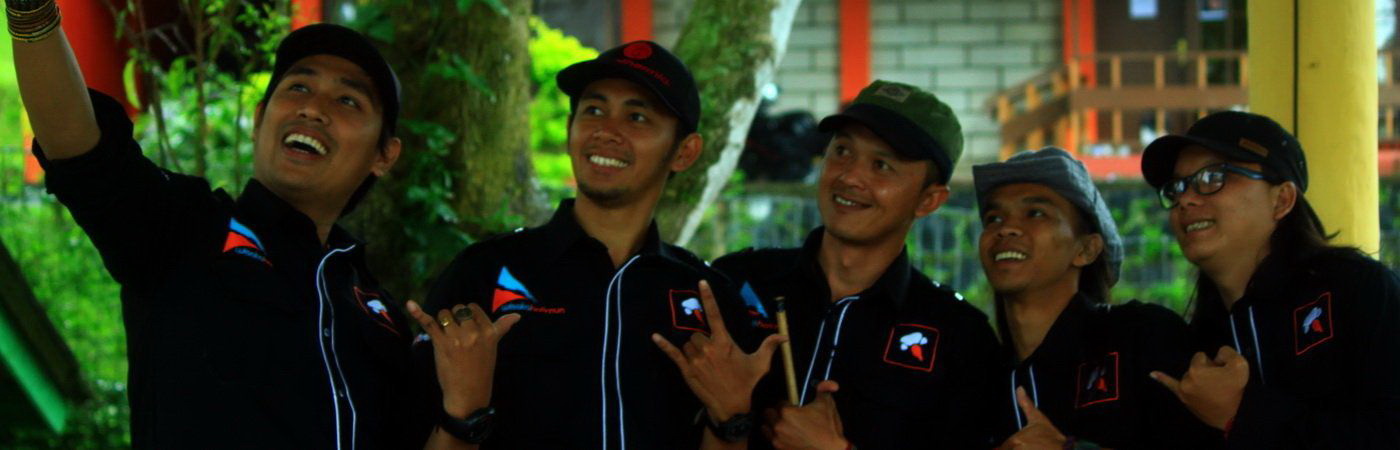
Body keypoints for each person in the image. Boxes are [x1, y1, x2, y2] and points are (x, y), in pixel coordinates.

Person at [8, 1, 457, 445]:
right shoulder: (186, 228)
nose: (313, 108)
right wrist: (31, 12)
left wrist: (465, 409)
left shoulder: (383, 318)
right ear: (260, 118)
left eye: (347, 100)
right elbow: (82, 152)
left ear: (385, 155)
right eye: (298, 87)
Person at [414, 40, 776, 449]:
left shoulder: (711, 300)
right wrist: (463, 411)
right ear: (571, 128)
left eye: (637, 116)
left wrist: (731, 418)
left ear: (685, 152)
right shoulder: (484, 272)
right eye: (594, 111)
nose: (606, 131)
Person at [704, 80, 1001, 448]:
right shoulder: (738, 282)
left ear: (929, 200)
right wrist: (731, 419)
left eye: (882, 165)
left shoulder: (961, 338)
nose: (849, 177)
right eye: (842, 151)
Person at [1141, 111, 1400, 448]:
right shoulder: (1197, 348)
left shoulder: (1358, 290)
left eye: (1213, 177)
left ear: (1282, 200)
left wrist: (1241, 414)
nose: (1185, 200)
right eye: (1176, 187)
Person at [974, 148, 1213, 449]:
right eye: (993, 218)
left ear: (1086, 250)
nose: (1005, 228)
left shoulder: (1143, 336)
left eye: (1035, 213)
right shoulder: (974, 373)